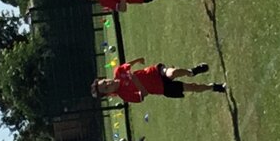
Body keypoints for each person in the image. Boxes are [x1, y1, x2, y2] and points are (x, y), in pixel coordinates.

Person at [96, 60, 226, 102]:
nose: (108, 84)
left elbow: (127, 65)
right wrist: (138, 84)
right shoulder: (124, 95)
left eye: (105, 82)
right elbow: (142, 96)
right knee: (193, 87)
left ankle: (191, 72)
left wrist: (137, 60)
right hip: (161, 88)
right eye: (106, 88)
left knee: (172, 72)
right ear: (109, 94)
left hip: (154, 73)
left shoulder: (118, 72)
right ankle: (214, 87)